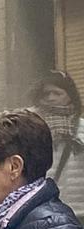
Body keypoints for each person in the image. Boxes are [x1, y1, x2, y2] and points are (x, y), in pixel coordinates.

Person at [31, 71, 84, 216]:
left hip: (79, 210)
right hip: (46, 210)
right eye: (46, 94)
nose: (51, 98)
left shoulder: (81, 128)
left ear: (69, 95)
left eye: (57, 93)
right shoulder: (32, 127)